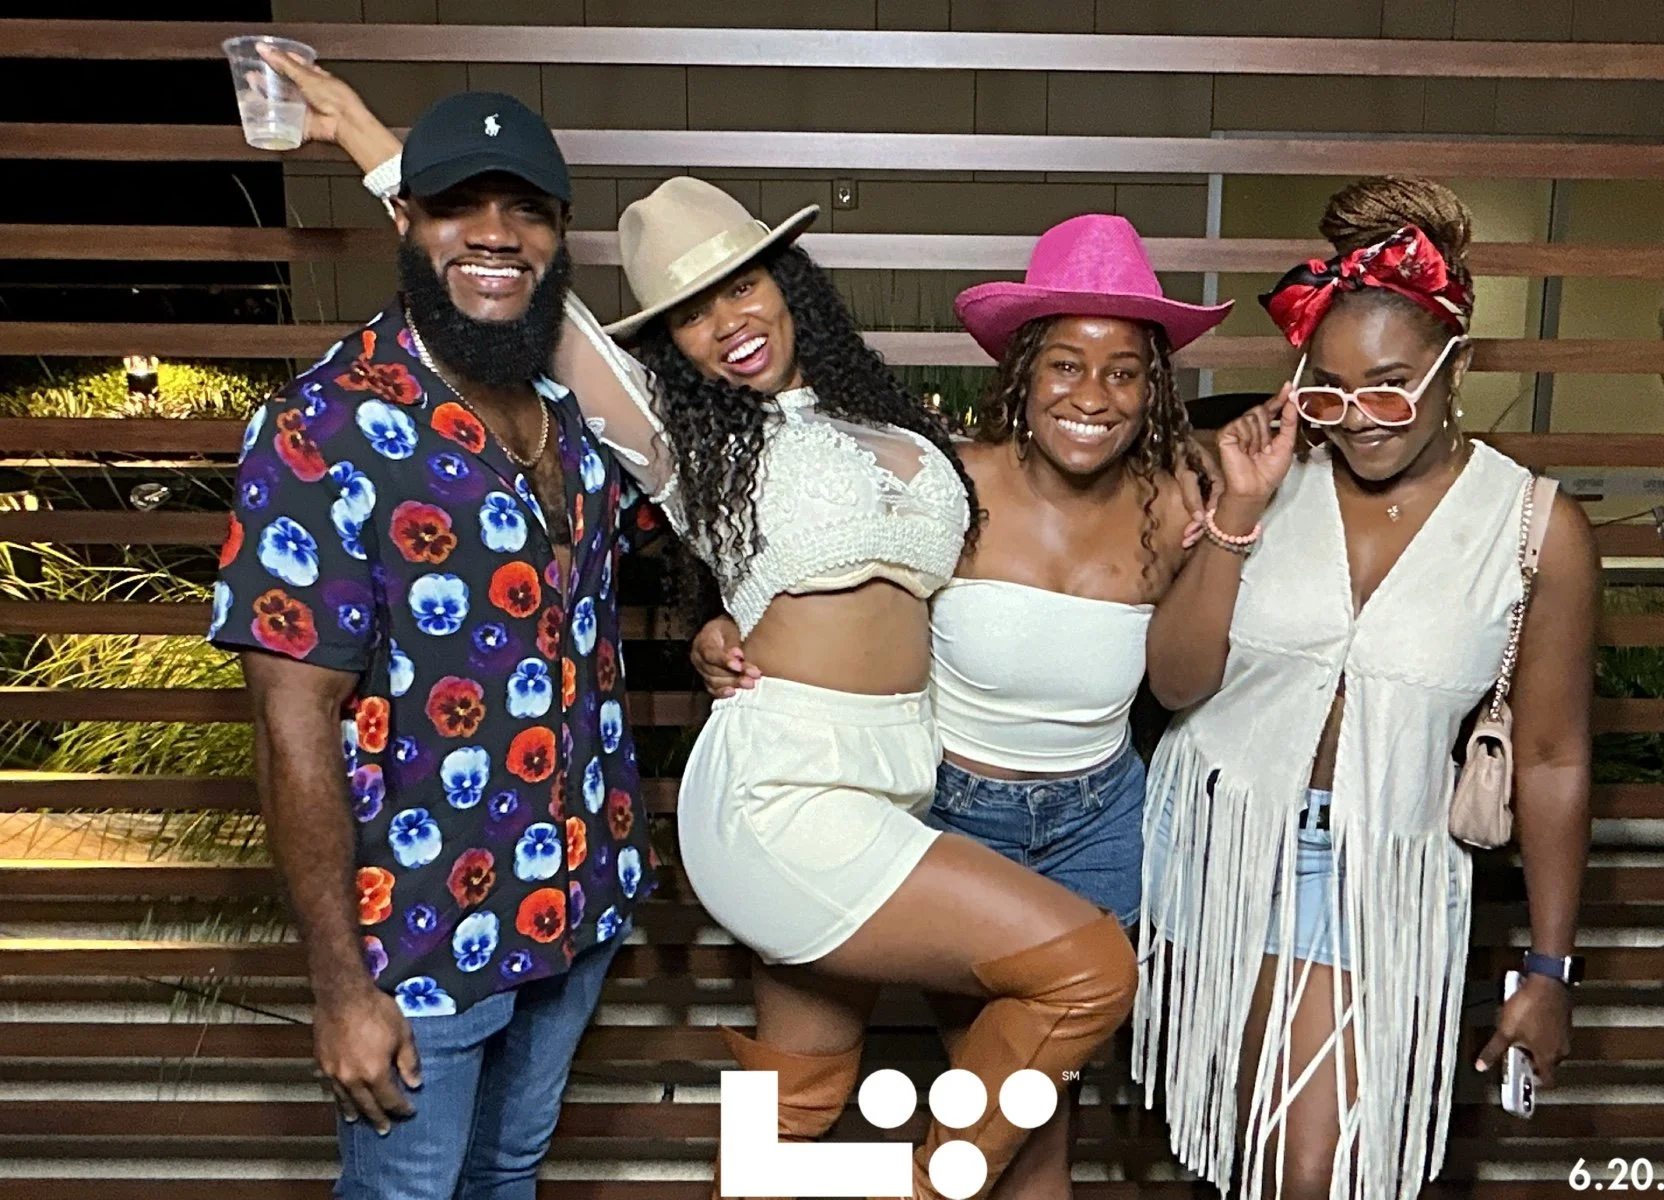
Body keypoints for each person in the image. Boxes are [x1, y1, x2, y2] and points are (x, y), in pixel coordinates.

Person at [260, 51, 1140, 1200]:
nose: (724, 323)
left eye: (742, 286)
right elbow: (535, 302)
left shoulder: (896, 425)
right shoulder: (689, 448)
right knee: (1087, 971)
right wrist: (367, 139)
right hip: (784, 793)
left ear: (789, 281)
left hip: (897, 776)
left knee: (797, 1098)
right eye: (684, 315)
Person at [692, 212, 1230, 1198]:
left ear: (1156, 389)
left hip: (1100, 828)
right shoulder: (943, 484)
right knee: (899, 1106)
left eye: (1124, 372)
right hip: (951, 813)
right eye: (1066, 364)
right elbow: (824, 580)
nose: (1093, 395)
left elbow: (1184, 680)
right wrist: (723, 634)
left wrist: (1230, 524)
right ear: (1021, 372)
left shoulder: (1178, 502)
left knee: (1033, 1133)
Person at [211, 88, 660, 1199]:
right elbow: (291, 721)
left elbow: (644, 527)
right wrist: (338, 987)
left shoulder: (567, 415)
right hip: (417, 930)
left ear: (558, 237)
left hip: (576, 890)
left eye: (527, 210)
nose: (497, 233)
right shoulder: (325, 425)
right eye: (459, 205)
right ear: (405, 218)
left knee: (506, 1171)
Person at [1134, 177, 1598, 1200]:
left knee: (1323, 1163)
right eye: (1331, 393)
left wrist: (1550, 968)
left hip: (1382, 870)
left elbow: (1556, 758)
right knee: (1268, 1156)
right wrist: (1236, 518)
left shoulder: (1533, 529)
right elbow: (1174, 683)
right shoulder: (1255, 476)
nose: (1361, 422)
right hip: (1220, 841)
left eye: (1390, 387)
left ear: (1455, 366)